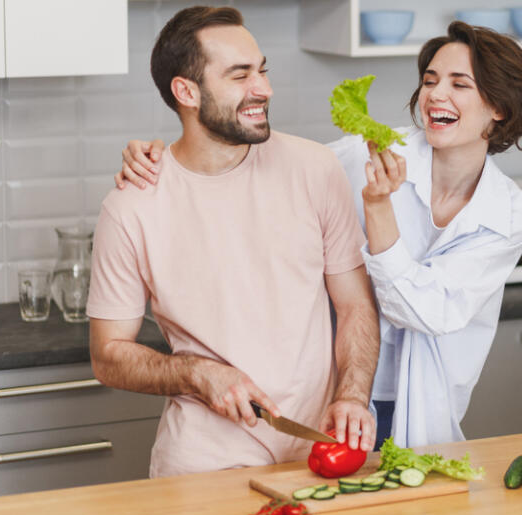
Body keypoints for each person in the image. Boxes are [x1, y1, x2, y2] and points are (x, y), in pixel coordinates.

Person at [115, 21, 522, 448]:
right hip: (336, 395)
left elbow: (424, 311)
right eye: (430, 80)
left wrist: (378, 207)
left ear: (498, 107)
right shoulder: (362, 154)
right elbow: (253, 156)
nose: (435, 95)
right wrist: (165, 157)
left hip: (419, 399)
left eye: (458, 84)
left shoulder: (505, 214)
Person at [88, 6, 379, 478]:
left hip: (319, 452)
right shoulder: (131, 207)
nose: (263, 89)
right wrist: (197, 373)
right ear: (186, 91)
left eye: (262, 70)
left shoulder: (315, 169)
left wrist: (351, 396)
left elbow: (355, 307)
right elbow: (108, 356)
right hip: (204, 463)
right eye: (240, 75)